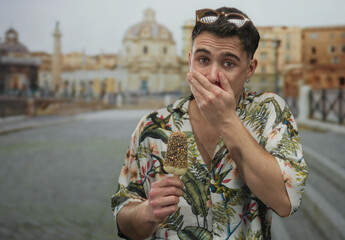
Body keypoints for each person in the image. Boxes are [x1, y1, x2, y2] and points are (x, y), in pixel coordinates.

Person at [111, 7, 308, 239]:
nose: (212, 75)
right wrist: (146, 212)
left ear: (250, 69)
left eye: (229, 64)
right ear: (190, 61)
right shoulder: (153, 126)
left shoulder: (269, 112)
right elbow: (125, 224)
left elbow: (285, 203)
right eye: (203, 60)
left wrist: (226, 120)